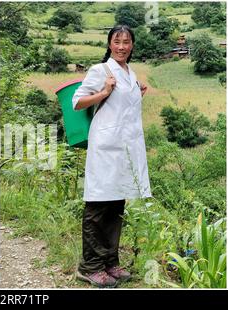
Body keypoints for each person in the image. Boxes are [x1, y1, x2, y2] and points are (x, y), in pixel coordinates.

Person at [71, 25, 151, 288]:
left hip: (125, 149)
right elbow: (77, 102)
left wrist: (136, 92)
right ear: (109, 44)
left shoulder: (131, 73)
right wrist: (104, 92)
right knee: (97, 205)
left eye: (126, 42)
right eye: (117, 41)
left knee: (117, 206)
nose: (121, 46)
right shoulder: (100, 70)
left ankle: (109, 262)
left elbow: (123, 108)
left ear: (132, 46)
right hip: (105, 149)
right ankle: (90, 266)